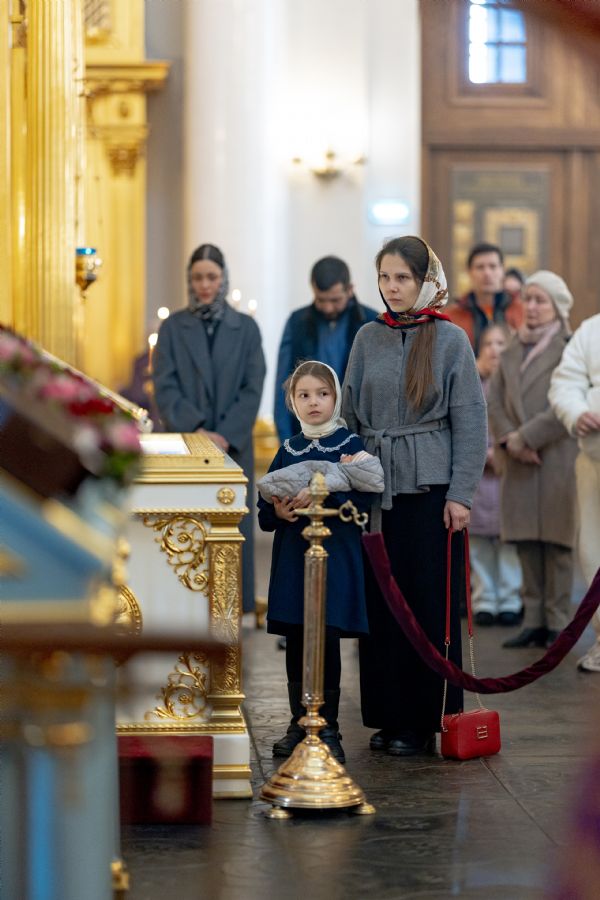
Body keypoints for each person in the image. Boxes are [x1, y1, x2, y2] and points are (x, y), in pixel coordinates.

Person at [342, 236, 487, 756]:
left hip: (430, 494)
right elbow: (350, 413)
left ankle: (427, 718)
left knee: (427, 605)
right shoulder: (367, 337)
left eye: (402, 277)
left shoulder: (450, 340)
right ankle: (388, 715)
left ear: (425, 281)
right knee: (383, 607)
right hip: (376, 490)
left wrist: (461, 494)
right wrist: (348, 468)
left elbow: (471, 422)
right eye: (384, 277)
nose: (392, 287)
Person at [257, 361, 383, 764]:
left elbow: (366, 496)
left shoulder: (349, 446)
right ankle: (299, 720)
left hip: (335, 559)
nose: (314, 402)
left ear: (336, 398)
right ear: (292, 403)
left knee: (325, 637)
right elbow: (264, 510)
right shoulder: (288, 449)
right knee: (297, 637)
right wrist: (278, 511)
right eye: (304, 395)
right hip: (294, 561)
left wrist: (328, 492)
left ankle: (327, 724)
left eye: (322, 394)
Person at [153, 244, 266, 613]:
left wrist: (224, 435)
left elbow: (253, 386)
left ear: (223, 279)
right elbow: (165, 386)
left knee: (231, 527)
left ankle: (233, 608)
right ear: (189, 281)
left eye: (211, 277)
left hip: (233, 447)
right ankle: (190, 610)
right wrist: (198, 430)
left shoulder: (246, 328)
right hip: (188, 446)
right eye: (198, 277)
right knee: (191, 528)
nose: (204, 285)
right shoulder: (173, 328)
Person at [487, 270, 577, 649]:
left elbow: (567, 403)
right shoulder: (511, 347)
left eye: (541, 300)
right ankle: (534, 619)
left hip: (557, 456)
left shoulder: (570, 348)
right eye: (529, 299)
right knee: (526, 542)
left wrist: (525, 437)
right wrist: (511, 440)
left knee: (557, 545)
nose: (533, 307)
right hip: (519, 460)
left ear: (558, 306)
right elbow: (493, 400)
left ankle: (558, 622)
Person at [273, 256, 378, 442]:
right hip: (305, 434)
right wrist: (287, 442)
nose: (328, 308)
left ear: (350, 289)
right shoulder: (296, 323)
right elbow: (284, 385)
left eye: (335, 300)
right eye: (321, 300)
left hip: (357, 435)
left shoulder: (371, 323)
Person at [549, 312, 600, 672]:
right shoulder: (592, 329)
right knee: (593, 553)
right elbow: (564, 382)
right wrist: (577, 411)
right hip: (595, 460)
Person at [469, 325, 523, 626]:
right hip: (478, 475)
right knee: (479, 544)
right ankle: (485, 599)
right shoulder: (471, 381)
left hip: (509, 471)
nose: (494, 349)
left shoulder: (516, 381)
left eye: (501, 343)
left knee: (508, 543)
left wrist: (501, 451)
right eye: (489, 343)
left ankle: (510, 599)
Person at [447, 242, 524, 354]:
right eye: (480, 267)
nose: (487, 273)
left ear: (502, 271)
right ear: (469, 272)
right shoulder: (453, 316)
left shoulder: (521, 310)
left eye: (493, 266)